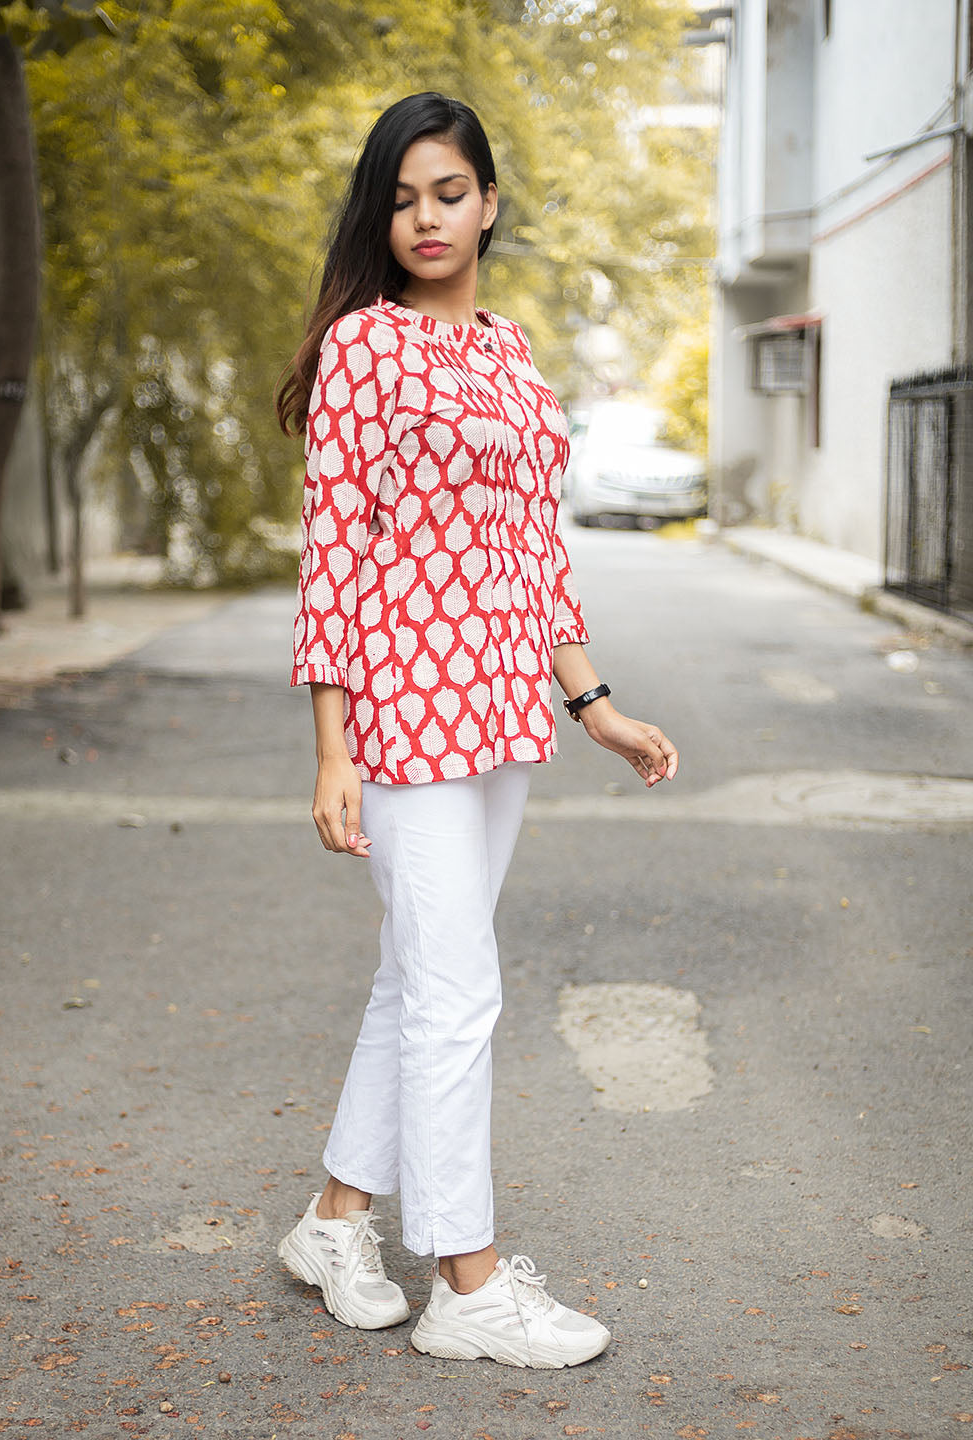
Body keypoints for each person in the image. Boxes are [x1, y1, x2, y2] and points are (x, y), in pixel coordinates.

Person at [273, 92, 678, 1370]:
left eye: (447, 193)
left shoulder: (514, 359)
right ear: (379, 217)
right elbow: (335, 555)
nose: (425, 218)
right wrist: (333, 748)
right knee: (457, 995)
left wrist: (597, 706)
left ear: (489, 202)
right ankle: (468, 1282)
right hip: (399, 714)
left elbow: (533, 555)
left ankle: (337, 1222)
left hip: (502, 711)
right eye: (400, 199)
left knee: (419, 978)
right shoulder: (364, 348)